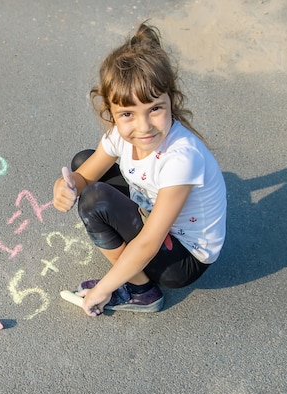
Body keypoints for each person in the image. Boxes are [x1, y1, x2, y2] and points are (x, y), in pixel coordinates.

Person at [53, 22, 226, 317]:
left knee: (95, 201)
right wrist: (66, 187)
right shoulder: (119, 135)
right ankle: (130, 274)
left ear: (171, 99)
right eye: (128, 114)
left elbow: (148, 243)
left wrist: (105, 286)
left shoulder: (181, 157)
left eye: (155, 109)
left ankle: (141, 290)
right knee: (83, 162)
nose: (143, 126)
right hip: (155, 214)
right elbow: (85, 175)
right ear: (111, 112)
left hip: (182, 258)